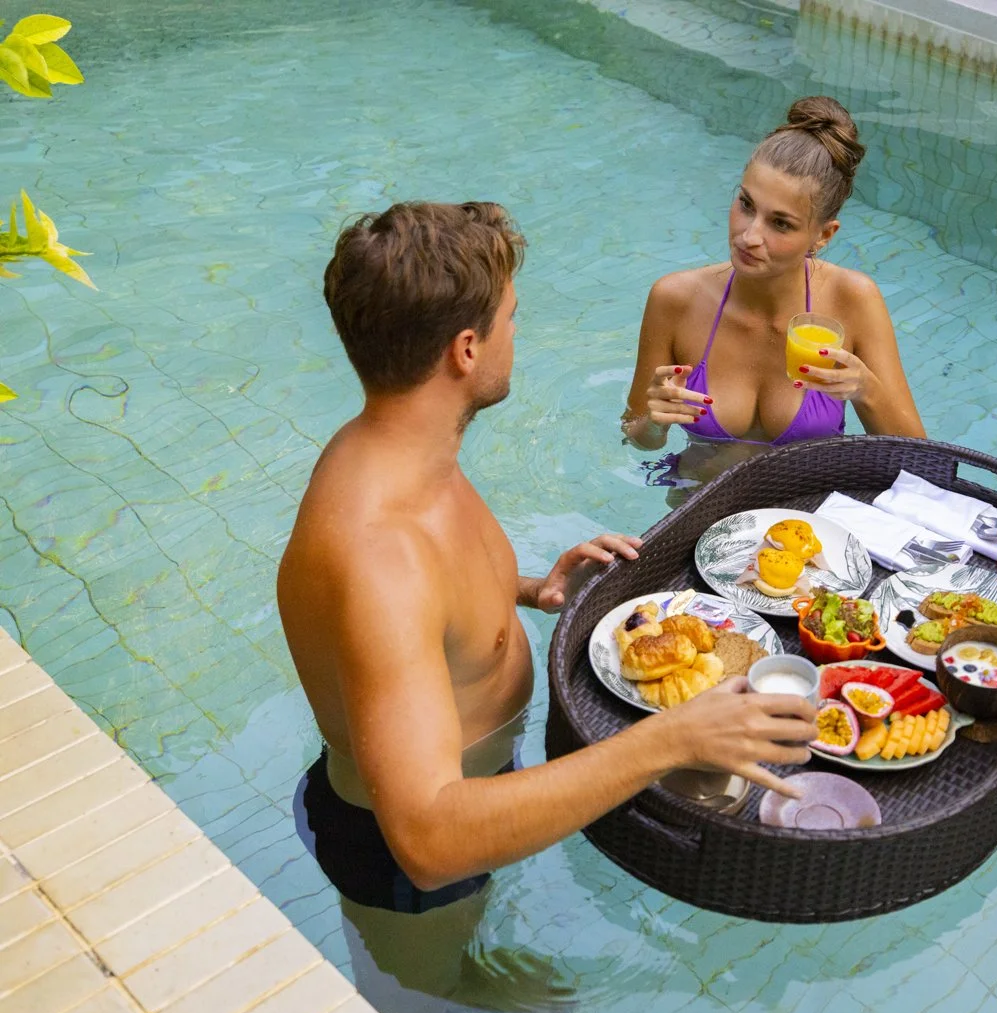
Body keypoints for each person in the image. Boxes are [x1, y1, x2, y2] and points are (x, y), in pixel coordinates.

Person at [278, 201, 816, 920]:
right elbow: (430, 843)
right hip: (402, 859)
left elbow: (420, 613)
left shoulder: (392, 449)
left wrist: (525, 589)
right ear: (466, 350)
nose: (516, 333)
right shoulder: (383, 556)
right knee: (425, 1005)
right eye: (510, 317)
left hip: (465, 782)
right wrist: (670, 739)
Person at [621, 96, 925, 490]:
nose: (749, 236)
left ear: (823, 235)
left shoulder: (853, 300)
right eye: (746, 204)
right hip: (697, 507)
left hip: (813, 524)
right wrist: (655, 423)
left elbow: (919, 460)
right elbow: (635, 434)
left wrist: (866, 391)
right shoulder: (675, 299)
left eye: (780, 224)